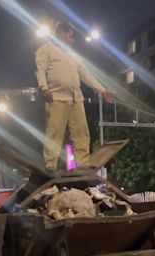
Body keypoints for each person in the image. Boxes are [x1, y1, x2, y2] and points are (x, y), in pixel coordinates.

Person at [35, 21, 114, 171]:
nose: (73, 40)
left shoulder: (74, 55)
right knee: (54, 133)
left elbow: (85, 75)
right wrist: (44, 88)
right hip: (56, 97)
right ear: (61, 34)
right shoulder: (46, 49)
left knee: (81, 133)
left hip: (76, 98)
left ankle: (82, 163)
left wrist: (102, 90)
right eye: (70, 36)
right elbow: (40, 70)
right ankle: (50, 164)